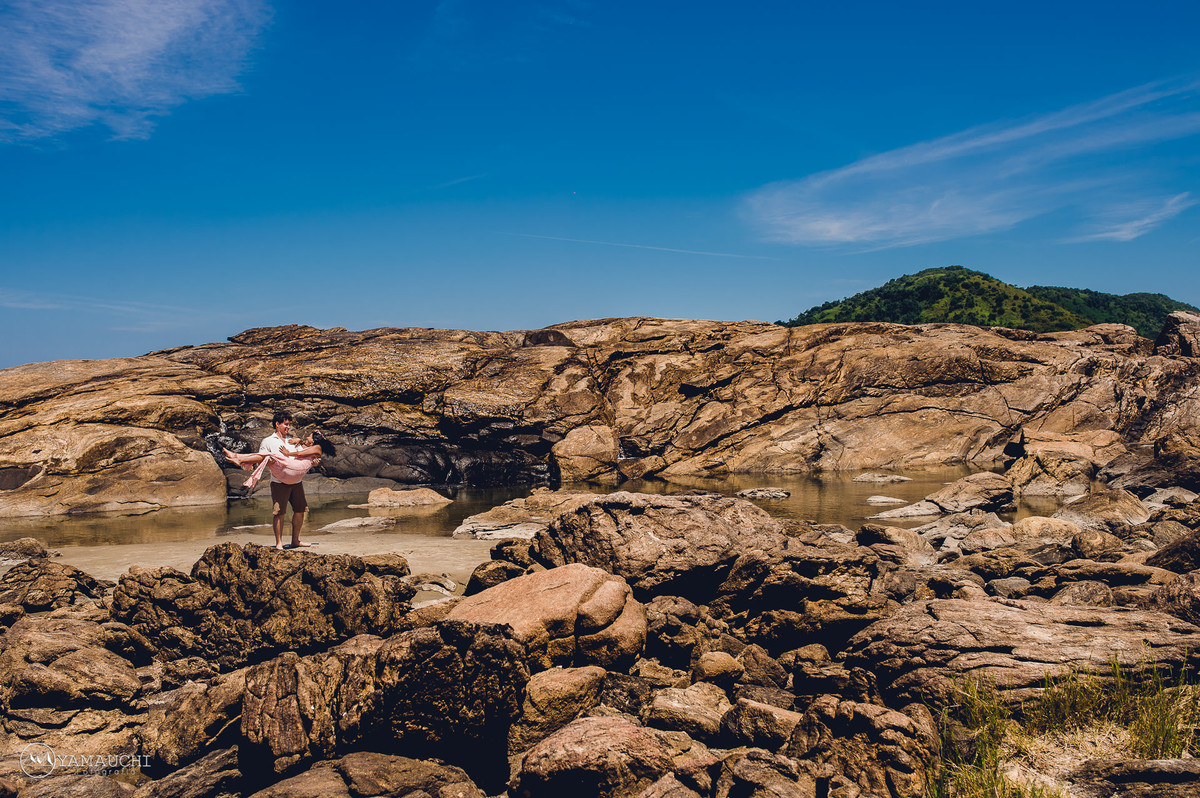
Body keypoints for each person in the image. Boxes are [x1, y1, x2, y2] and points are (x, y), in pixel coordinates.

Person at [228, 411, 337, 551]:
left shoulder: (292, 441)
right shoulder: (268, 441)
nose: (288, 427)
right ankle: (279, 543)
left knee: (300, 510)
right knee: (279, 512)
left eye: (289, 424)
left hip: (296, 482)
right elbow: (261, 458)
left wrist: (314, 462)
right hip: (279, 481)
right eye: (286, 424)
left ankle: (295, 540)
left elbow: (303, 457)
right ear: (277, 424)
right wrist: (270, 461)